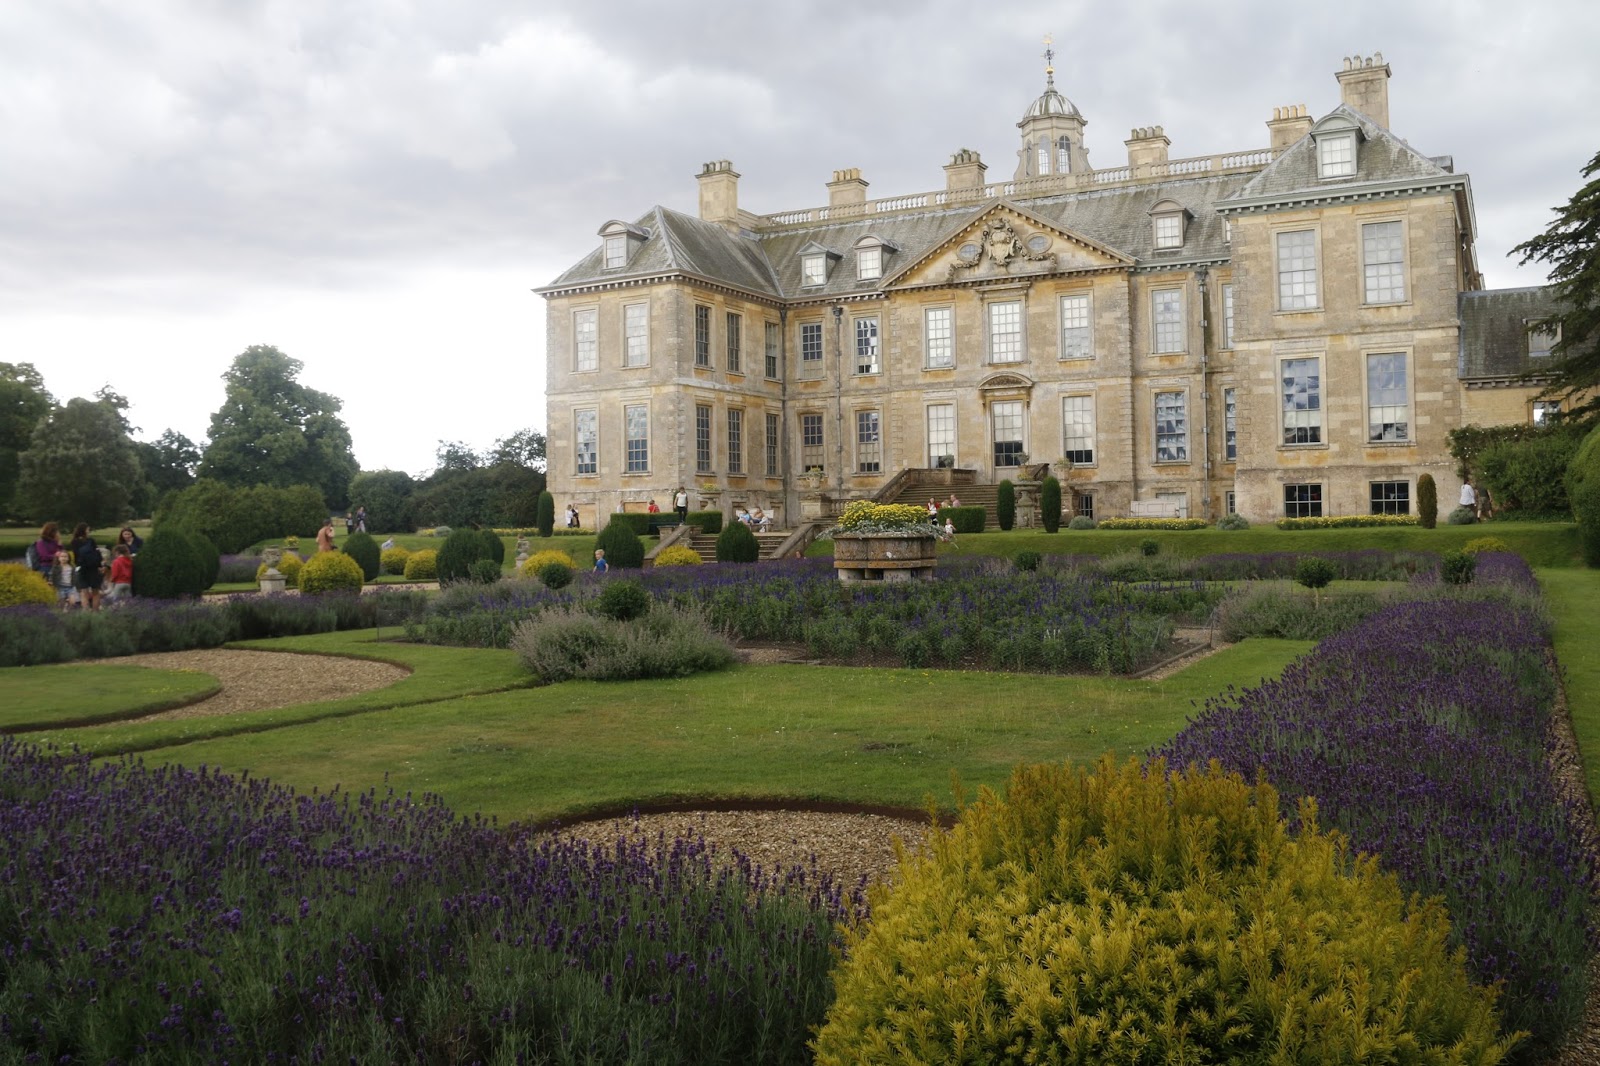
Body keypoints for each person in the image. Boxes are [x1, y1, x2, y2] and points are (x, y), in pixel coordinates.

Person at [69, 524, 103, 612]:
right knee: (96, 591)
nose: (89, 531)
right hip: (93, 568)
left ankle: (86, 611)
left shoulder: (74, 542)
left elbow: (76, 556)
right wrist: (100, 565)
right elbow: (97, 554)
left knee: (84, 592)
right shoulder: (91, 541)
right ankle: (95, 611)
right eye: (88, 529)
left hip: (82, 568)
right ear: (84, 530)